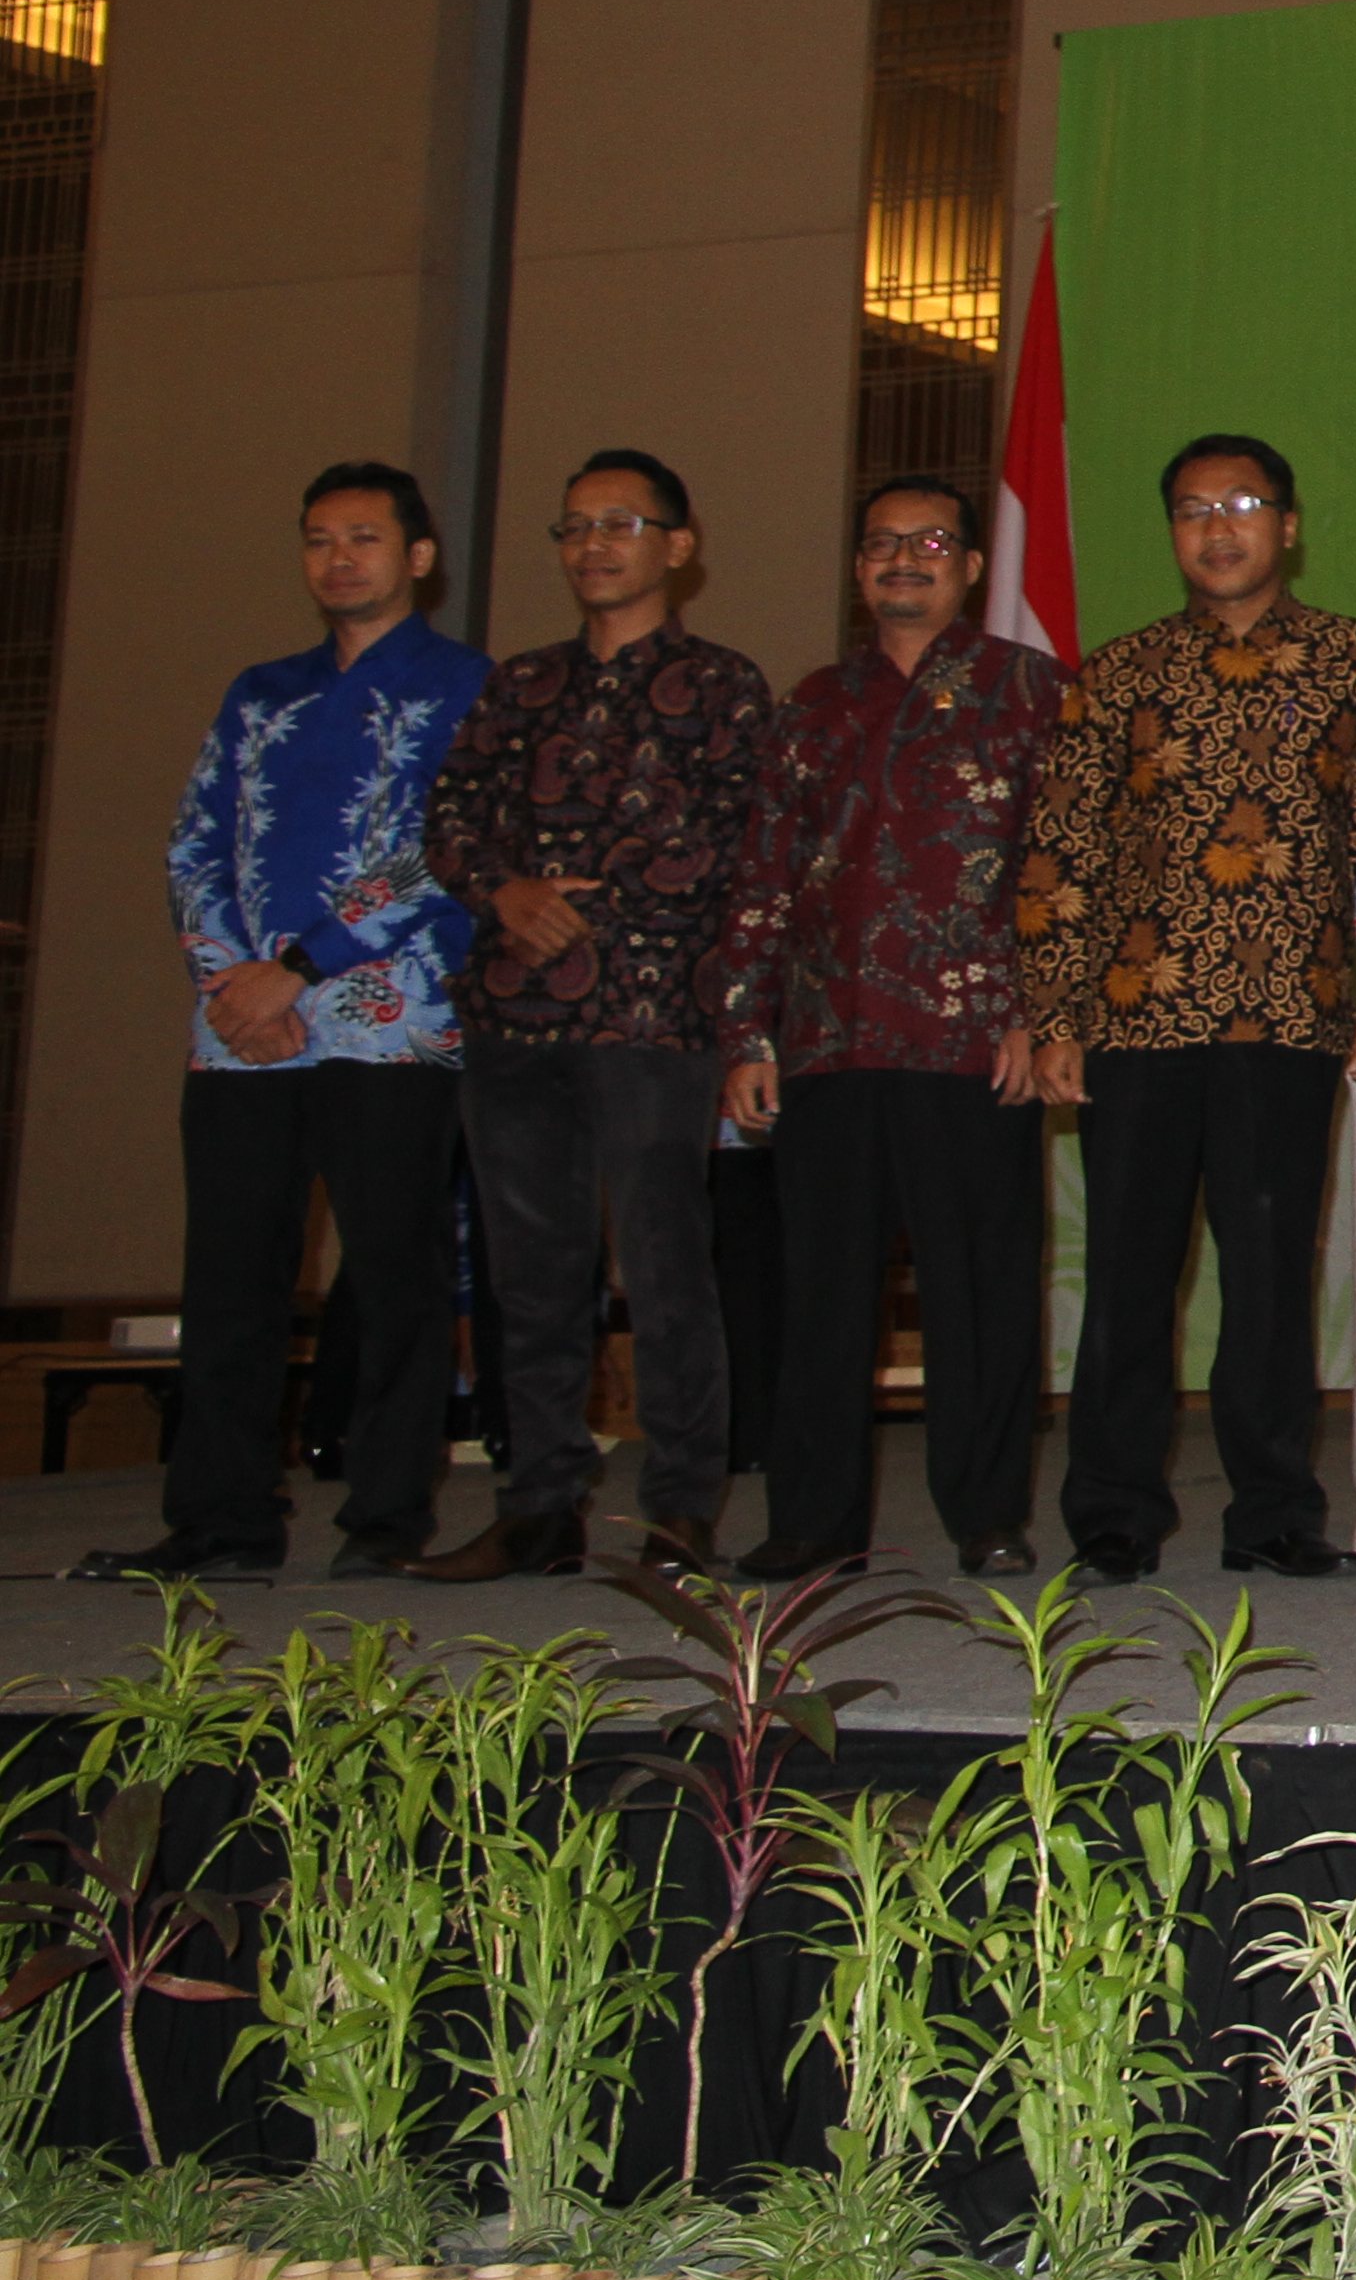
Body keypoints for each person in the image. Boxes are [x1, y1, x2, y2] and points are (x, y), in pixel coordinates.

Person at [78, 463, 492, 1583]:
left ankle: (386, 1518)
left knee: (396, 1275)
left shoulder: (467, 686)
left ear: (419, 557)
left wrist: (302, 966)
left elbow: (449, 849)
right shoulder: (261, 692)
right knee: (228, 1275)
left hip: (391, 1019)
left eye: (364, 537)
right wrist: (232, 979)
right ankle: (220, 1518)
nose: (338, 559)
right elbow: (194, 841)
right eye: (318, 539)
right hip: (239, 1029)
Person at [1019, 431, 1356, 1583]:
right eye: (1193, 509)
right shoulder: (1119, 673)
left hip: (1289, 1013)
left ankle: (1275, 1513)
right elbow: (1064, 848)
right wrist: (1055, 1013)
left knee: (1272, 1275)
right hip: (1139, 1019)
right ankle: (1113, 1516)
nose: (1217, 528)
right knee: (1128, 1277)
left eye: (1241, 504)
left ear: (1288, 525)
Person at [417, 450, 776, 1580]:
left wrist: (579, 904)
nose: (592, 545)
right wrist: (507, 895)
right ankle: (539, 1503)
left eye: (620, 524)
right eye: (574, 527)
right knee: (529, 1271)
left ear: (679, 546)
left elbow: (732, 835)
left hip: (650, 1015)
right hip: (513, 1014)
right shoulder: (519, 684)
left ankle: (680, 1508)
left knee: (666, 1268)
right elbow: (450, 818)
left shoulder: (724, 684)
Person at [725, 479, 1064, 1580]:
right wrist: (748, 1033)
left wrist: (1039, 1011)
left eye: (928, 542)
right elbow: (764, 877)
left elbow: (1066, 868)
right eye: (881, 544)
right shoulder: (813, 703)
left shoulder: (1031, 692)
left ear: (970, 566)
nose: (902, 560)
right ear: (858, 567)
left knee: (982, 1291)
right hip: (828, 1039)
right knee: (820, 1294)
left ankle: (987, 1515)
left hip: (973, 1040)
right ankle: (812, 1520)